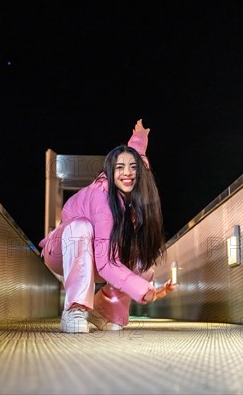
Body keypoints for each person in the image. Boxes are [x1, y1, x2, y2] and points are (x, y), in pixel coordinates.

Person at [39, 119, 176, 333]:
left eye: (133, 168)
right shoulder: (102, 197)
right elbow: (105, 263)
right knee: (82, 227)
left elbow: (135, 151)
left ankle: (103, 311)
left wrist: (140, 136)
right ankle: (75, 308)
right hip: (62, 248)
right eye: (119, 168)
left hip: (96, 253)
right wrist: (144, 291)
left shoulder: (136, 202)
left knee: (142, 261)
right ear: (110, 173)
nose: (128, 173)